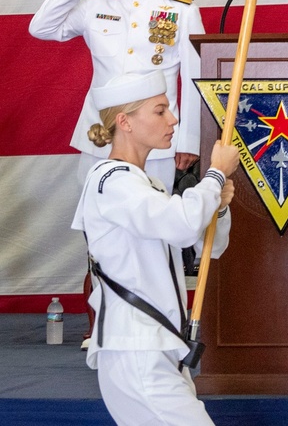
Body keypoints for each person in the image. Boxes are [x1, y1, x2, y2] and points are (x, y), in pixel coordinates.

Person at [71, 70, 238, 426]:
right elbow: (180, 224)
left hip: (160, 348)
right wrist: (215, 175)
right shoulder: (110, 181)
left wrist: (217, 206)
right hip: (137, 351)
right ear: (124, 122)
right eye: (160, 111)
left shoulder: (147, 187)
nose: (173, 119)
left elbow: (210, 246)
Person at [30, 0, 206, 187]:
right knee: (96, 214)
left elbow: (196, 78)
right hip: (101, 133)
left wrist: (189, 139)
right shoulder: (94, 4)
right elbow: (40, 28)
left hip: (155, 136)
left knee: (155, 219)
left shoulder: (181, 11)